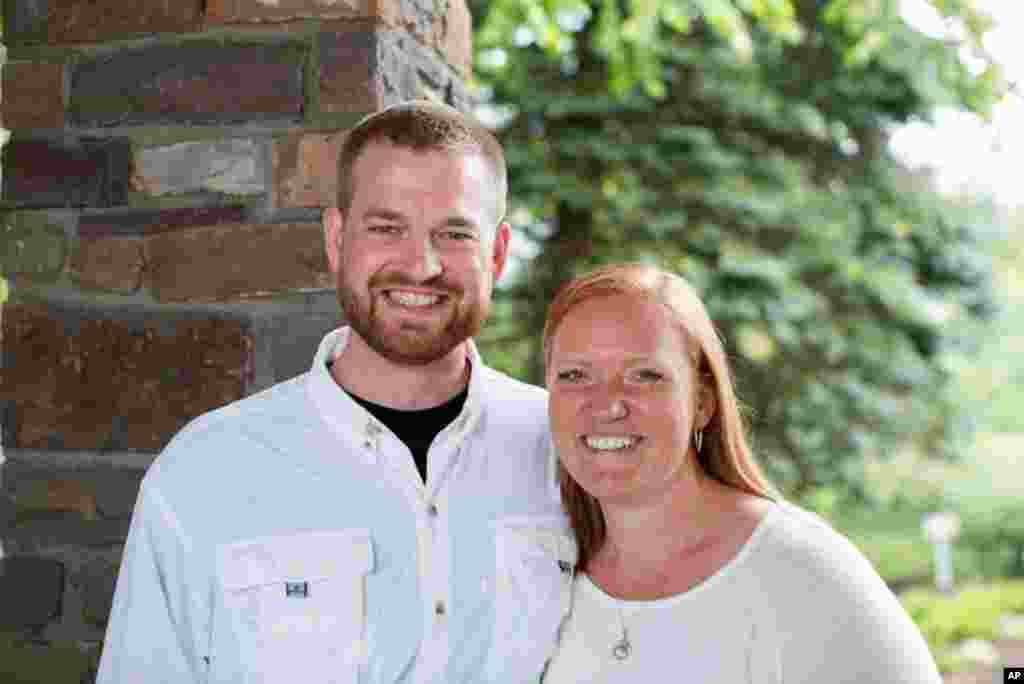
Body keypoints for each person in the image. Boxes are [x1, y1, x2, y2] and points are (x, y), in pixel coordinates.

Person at [97, 101, 576, 684]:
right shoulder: (203, 472)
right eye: (386, 228)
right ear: (336, 238)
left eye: (453, 233)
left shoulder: (566, 449)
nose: (420, 265)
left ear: (497, 254)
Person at [540, 263, 942, 683]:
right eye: (575, 376)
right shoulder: (546, 574)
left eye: (645, 376)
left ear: (702, 403)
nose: (608, 405)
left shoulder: (804, 573)